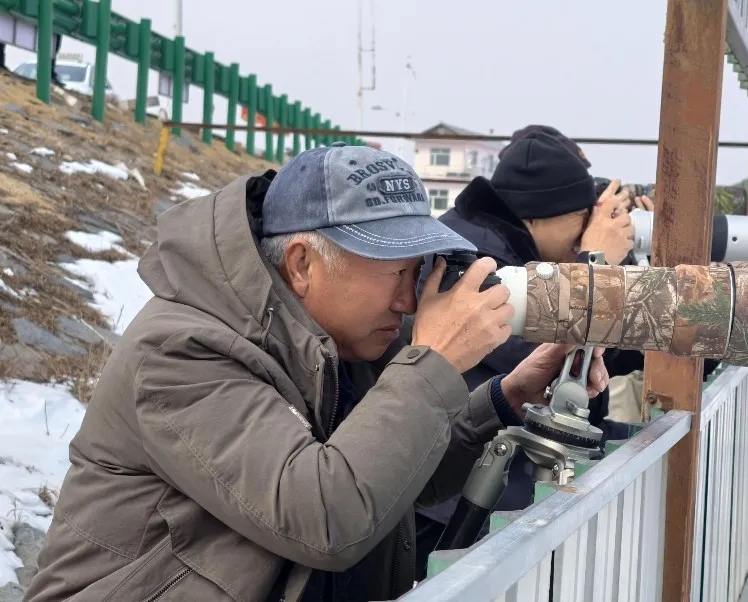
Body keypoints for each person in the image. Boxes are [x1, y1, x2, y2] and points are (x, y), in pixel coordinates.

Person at [23, 143, 610, 602]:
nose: (409, 301)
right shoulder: (181, 352)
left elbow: (392, 474)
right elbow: (326, 516)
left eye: (419, 272)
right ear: (303, 264)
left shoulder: (333, 340)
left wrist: (506, 397)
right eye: (396, 273)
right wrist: (430, 364)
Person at [412, 128, 649, 577]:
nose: (585, 226)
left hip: (481, 482)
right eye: (583, 216)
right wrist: (592, 259)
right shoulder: (472, 256)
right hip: (448, 505)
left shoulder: (513, 248)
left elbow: (617, 357)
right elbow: (527, 352)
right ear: (540, 217)